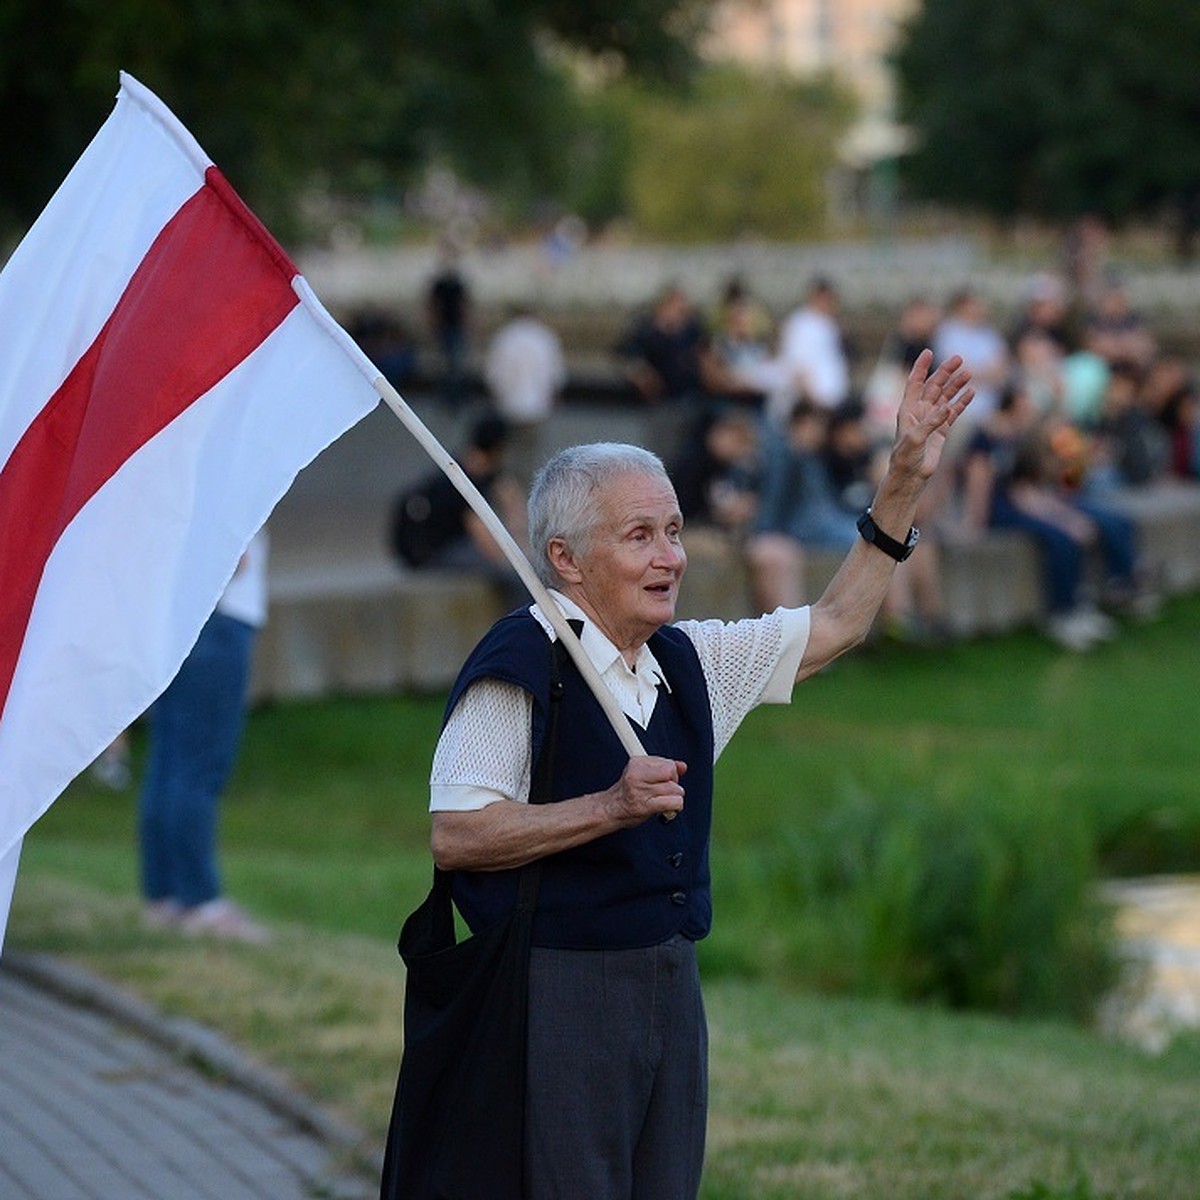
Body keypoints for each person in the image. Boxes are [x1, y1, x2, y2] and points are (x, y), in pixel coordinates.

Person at [423, 351, 973, 1198]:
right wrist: (609, 806)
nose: (670, 556)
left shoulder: (688, 661)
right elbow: (458, 835)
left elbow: (835, 624)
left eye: (674, 531)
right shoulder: (519, 665)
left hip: (669, 983)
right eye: (639, 536)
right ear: (566, 560)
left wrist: (901, 480)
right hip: (554, 992)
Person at [138, 529, 270, 942]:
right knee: (198, 767)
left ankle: (165, 894)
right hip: (219, 614)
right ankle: (200, 900)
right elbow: (234, 551)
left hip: (184, 614)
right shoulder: (226, 461)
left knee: (170, 759)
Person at [389, 413, 528, 609]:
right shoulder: (460, 479)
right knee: (514, 578)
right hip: (436, 552)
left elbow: (510, 497)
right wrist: (515, 562)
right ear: (499, 448)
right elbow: (482, 535)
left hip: (447, 544)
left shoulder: (474, 467)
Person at [482, 304, 567, 482]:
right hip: (536, 404)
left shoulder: (505, 337)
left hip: (508, 403)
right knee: (531, 450)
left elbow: (493, 373)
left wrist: (499, 393)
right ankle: (529, 484)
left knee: (506, 448)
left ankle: (507, 484)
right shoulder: (544, 336)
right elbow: (555, 372)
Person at [773, 276, 851, 421]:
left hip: (832, 405)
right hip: (809, 406)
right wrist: (812, 402)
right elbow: (797, 367)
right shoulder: (801, 324)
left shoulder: (830, 325)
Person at [426, 239, 472, 407]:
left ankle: (453, 398)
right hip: (447, 327)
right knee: (450, 365)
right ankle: (451, 399)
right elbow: (435, 306)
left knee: (453, 365)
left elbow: (463, 307)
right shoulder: (443, 283)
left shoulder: (455, 282)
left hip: (452, 327)